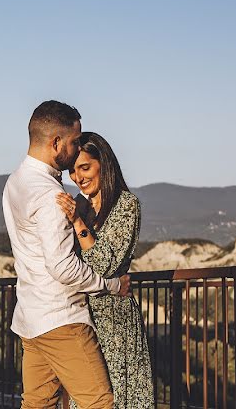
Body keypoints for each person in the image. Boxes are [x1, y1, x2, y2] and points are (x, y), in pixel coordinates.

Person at [3, 100, 131, 409]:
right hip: (61, 319)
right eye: (74, 142)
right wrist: (112, 285)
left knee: (37, 404)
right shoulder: (49, 194)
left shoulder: (15, 183)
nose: (75, 151)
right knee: (99, 403)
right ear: (56, 142)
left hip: (31, 320)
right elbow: (62, 267)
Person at [55, 132, 154, 408]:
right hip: (81, 316)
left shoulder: (126, 205)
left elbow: (105, 265)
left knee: (118, 398)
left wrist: (76, 222)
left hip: (115, 321)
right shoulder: (82, 205)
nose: (78, 178)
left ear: (104, 164)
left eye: (85, 168)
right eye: (72, 172)